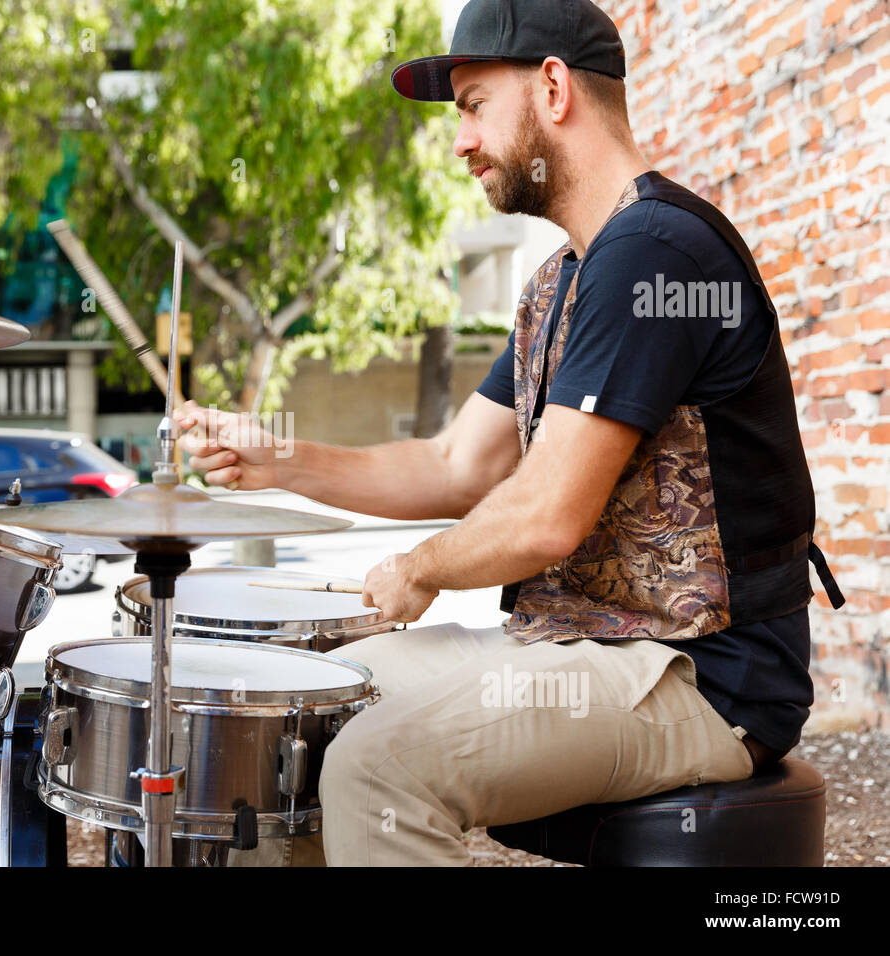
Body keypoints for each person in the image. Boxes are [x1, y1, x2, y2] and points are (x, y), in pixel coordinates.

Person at [176, 0, 844, 866]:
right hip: (586, 642)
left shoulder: (656, 254)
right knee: (303, 706)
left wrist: (421, 569)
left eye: (474, 104)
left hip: (701, 673)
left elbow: (545, 518)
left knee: (378, 765)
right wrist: (279, 459)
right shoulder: (561, 280)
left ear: (554, 89)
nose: (460, 141)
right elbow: (458, 464)